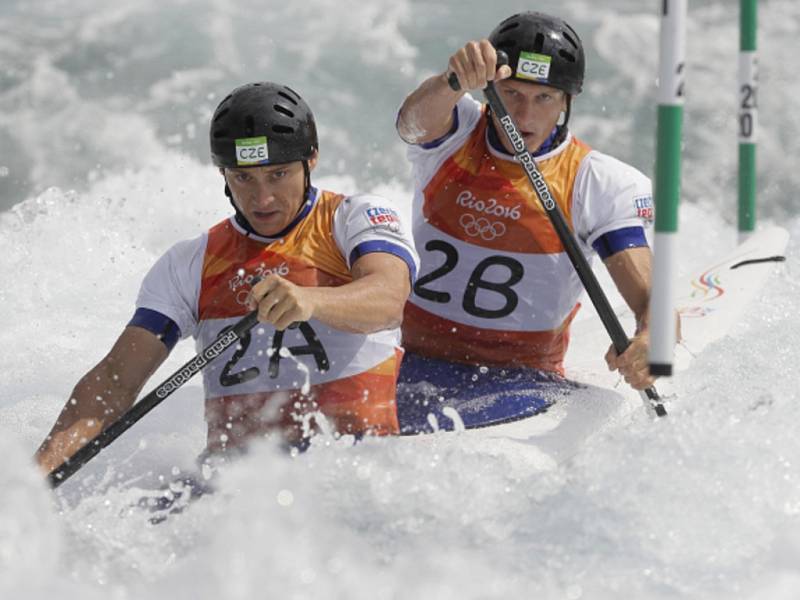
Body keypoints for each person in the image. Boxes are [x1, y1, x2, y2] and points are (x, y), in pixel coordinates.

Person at [36, 81, 419, 475]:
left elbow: (389, 300)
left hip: (352, 470)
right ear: (222, 173)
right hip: (235, 491)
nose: (262, 198)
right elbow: (113, 385)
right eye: (243, 178)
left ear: (312, 159)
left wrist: (312, 301)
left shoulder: (355, 218)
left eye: (278, 174)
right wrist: (31, 485)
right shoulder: (189, 262)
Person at [394, 11, 663, 429]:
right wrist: (453, 79)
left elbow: (651, 301)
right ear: (490, 89)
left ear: (566, 101)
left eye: (544, 98)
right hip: (406, 358)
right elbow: (411, 123)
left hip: (521, 382)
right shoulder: (456, 129)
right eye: (512, 93)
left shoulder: (597, 181)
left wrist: (650, 341)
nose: (523, 116)